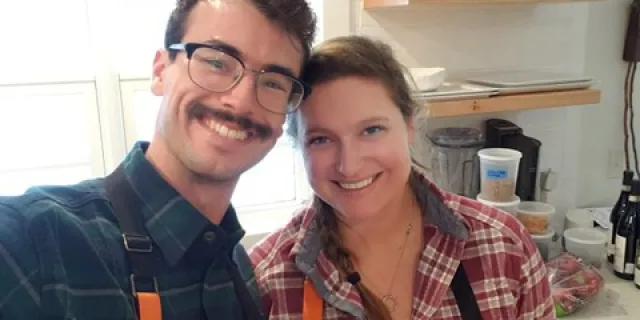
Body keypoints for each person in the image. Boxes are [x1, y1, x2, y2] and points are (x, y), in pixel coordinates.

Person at [0, 0, 315, 319]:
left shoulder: (239, 270)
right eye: (217, 62)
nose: (242, 100)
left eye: (273, 82)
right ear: (160, 70)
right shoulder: (34, 245)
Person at [248, 35, 555, 320]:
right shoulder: (266, 279)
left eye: (371, 130)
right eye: (321, 139)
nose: (349, 166)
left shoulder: (503, 247)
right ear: (298, 146)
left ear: (409, 125)